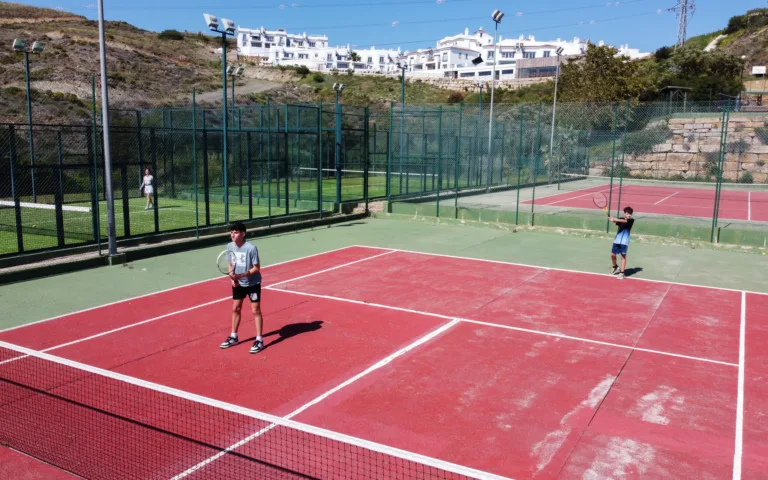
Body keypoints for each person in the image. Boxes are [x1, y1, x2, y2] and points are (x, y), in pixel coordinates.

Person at [220, 222, 264, 354]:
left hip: (252, 283)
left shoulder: (251, 248)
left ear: (243, 234)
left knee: (255, 310)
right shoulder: (229, 246)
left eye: (236, 232)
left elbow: (256, 268)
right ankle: (234, 336)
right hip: (238, 284)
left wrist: (242, 275)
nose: (233, 234)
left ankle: (259, 340)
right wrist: (232, 277)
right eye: (231, 232)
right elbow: (230, 263)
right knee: (236, 308)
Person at [609, 206, 634, 280]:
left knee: (623, 257)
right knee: (612, 254)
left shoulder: (631, 220)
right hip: (617, 240)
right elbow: (616, 221)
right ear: (624, 213)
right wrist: (612, 219)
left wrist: (615, 219)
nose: (629, 215)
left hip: (624, 242)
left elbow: (625, 221)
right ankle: (615, 267)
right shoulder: (621, 219)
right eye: (627, 213)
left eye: (630, 214)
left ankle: (622, 273)